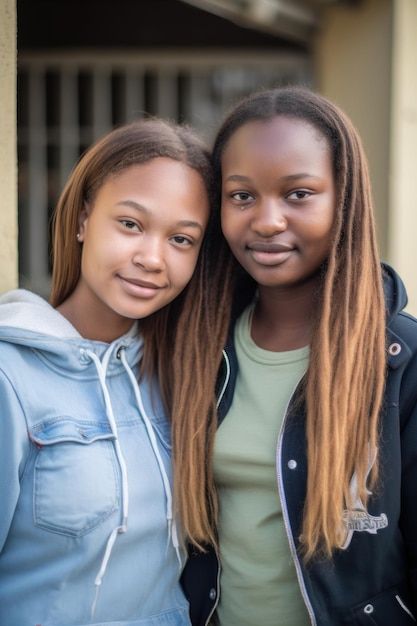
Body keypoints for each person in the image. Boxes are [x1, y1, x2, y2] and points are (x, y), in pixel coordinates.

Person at [179, 86, 417, 625]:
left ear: (344, 200)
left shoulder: (399, 361)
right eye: (242, 196)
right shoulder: (194, 348)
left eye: (299, 194)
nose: (266, 221)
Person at [0, 116, 227, 625]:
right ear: (83, 219)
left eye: (182, 239)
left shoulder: (186, 377)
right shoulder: (9, 375)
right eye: (130, 224)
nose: (152, 257)